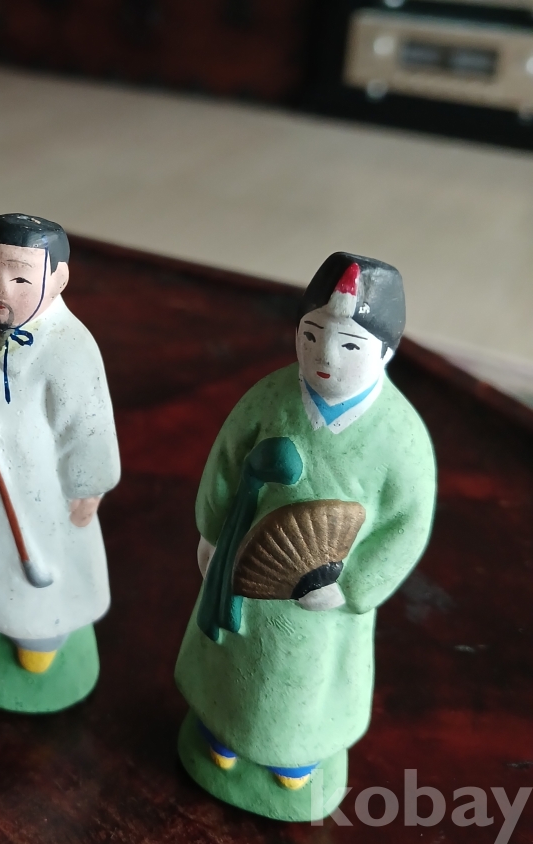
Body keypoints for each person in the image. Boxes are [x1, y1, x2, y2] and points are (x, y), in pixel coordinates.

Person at [175, 253, 437, 821]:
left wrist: (353, 586)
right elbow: (224, 466)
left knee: (303, 679)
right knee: (234, 659)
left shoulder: (401, 437)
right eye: (312, 335)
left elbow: (406, 524)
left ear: (386, 352)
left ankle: (295, 756)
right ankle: (220, 732)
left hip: (323, 603)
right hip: (243, 570)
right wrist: (213, 532)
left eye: (349, 345)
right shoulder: (270, 398)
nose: (324, 357)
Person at [0, 214, 120, 704]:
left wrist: (88, 485)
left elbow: (88, 424)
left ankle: (39, 634)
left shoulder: (72, 347)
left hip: (40, 491)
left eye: (19, 277)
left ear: (58, 278)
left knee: (37, 563)